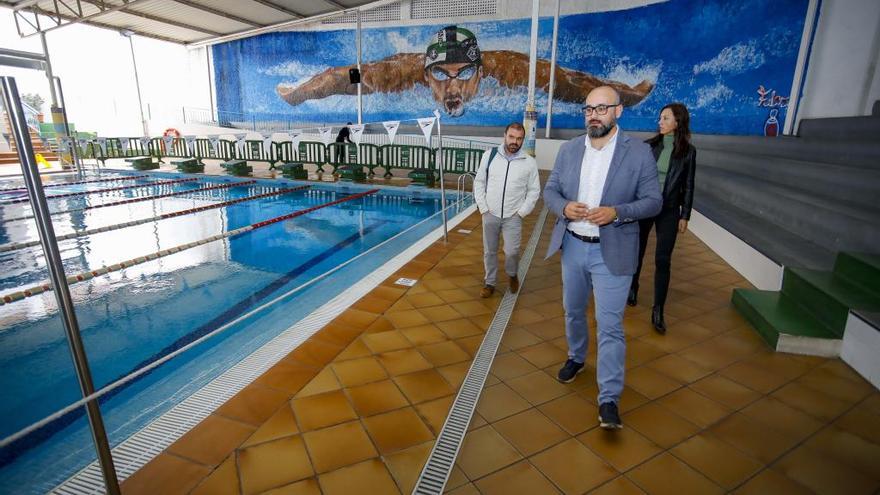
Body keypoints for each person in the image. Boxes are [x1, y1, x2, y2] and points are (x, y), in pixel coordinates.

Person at [543, 86, 662, 430]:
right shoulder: (568, 150)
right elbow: (550, 190)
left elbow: (653, 201)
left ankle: (608, 397)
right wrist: (564, 206)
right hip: (573, 246)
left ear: (618, 112)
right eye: (588, 109)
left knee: (610, 327)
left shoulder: (638, 153)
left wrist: (617, 212)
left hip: (613, 250)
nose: (593, 114)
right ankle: (576, 357)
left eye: (601, 108)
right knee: (573, 311)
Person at [277, 25, 655, 117]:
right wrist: (298, 94)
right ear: (426, 76)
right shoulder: (399, 73)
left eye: (464, 74)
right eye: (441, 75)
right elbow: (341, 77)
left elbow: (573, 83)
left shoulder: (510, 69)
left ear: (479, 72)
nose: (453, 87)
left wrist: (627, 95)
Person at [628, 103, 696, 334]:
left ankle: (658, 310)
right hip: (646, 205)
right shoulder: (649, 146)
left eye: (665, 118)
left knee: (663, 259)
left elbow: (688, 185)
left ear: (678, 121)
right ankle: (633, 286)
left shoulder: (689, 152)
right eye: (660, 118)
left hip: (669, 210)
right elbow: (635, 178)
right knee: (637, 250)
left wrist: (684, 215)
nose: (660, 121)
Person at [473, 122, 540, 298]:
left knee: (512, 252)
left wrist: (522, 212)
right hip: (490, 213)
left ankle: (512, 274)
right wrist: (483, 208)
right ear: (504, 135)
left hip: (513, 216)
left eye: (519, 139)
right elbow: (479, 182)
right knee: (490, 251)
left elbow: (534, 191)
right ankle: (490, 282)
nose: (514, 142)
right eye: (511, 137)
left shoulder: (529, 162)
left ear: (523, 140)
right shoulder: (489, 156)